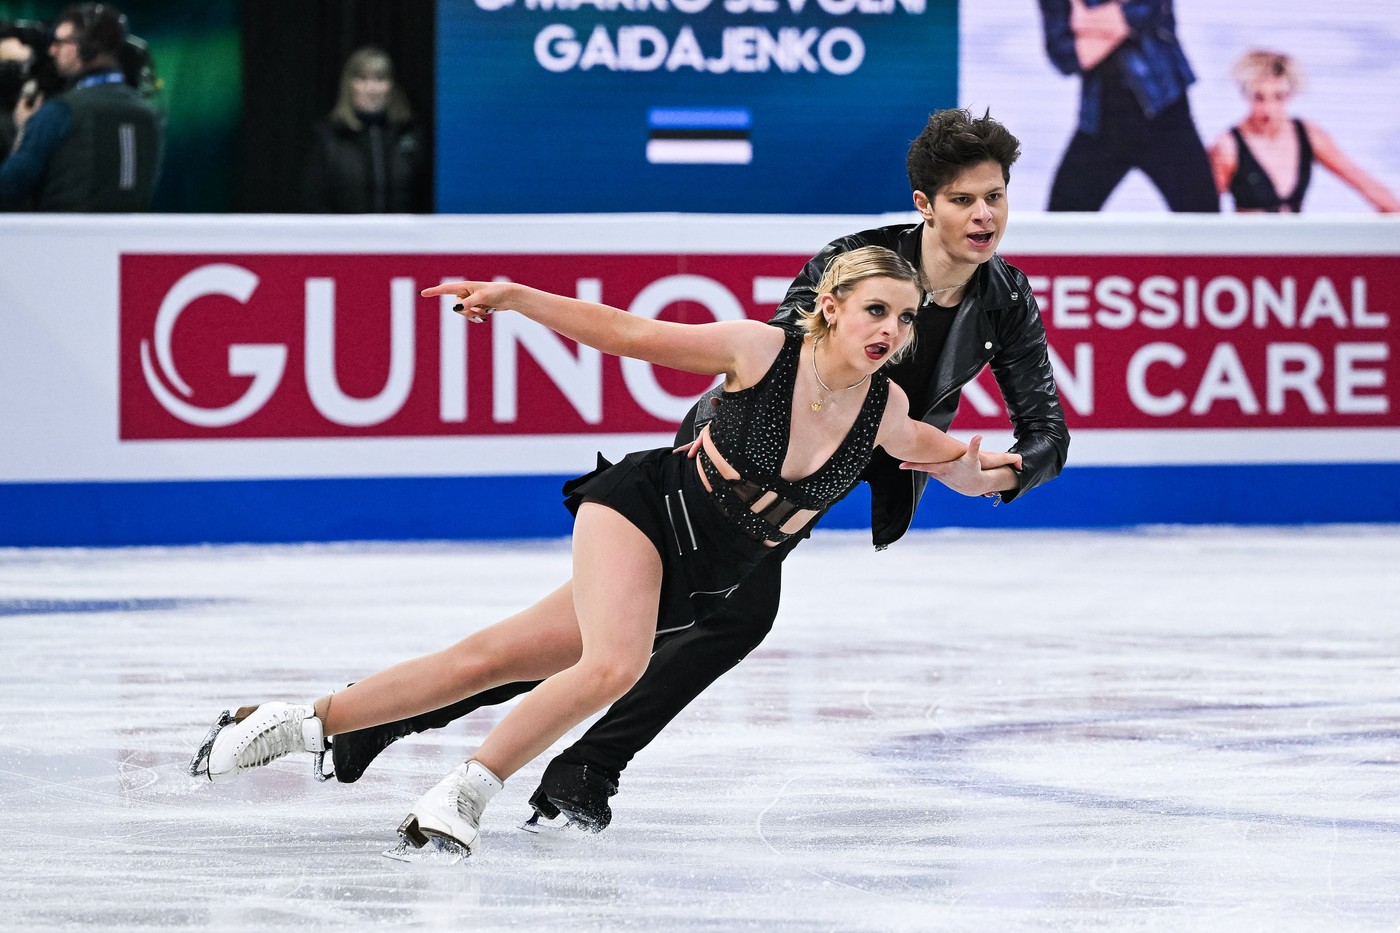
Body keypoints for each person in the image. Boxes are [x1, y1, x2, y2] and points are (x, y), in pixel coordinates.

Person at [259, 108, 1072, 836]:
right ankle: (573, 767)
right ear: (926, 204)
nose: (984, 215)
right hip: (746, 467)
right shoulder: (856, 267)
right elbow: (789, 380)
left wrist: (1007, 470)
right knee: (666, 629)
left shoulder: (1005, 297)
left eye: (995, 197)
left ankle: (392, 727)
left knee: (589, 641)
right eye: (965, 198)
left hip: (840, 469)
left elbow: (1045, 427)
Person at [191, 244, 1024, 858]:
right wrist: (518, 297)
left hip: (698, 577)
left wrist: (990, 475)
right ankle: (462, 794)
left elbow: (944, 457)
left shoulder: (884, 409)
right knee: (613, 664)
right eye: (876, 309)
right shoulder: (761, 351)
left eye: (907, 317)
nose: (892, 328)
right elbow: (627, 332)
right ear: (832, 304)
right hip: (644, 512)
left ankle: (294, 722)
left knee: (484, 659)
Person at [1038, 0, 1217, 212]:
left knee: (1202, 219)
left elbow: (1145, 12)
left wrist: (1085, 21)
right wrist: (1115, 23)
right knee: (1062, 220)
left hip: (1165, 114)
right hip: (1101, 120)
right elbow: (1066, 57)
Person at [0, 3, 161, 211]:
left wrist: (23, 131)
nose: (52, 50)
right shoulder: (147, 114)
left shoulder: (59, 111)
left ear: (88, 49)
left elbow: (9, 186)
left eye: (59, 42)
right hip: (123, 240)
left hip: (62, 239)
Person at [1208, 50, 1400, 214]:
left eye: (1278, 97)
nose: (1268, 109)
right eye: (1259, 98)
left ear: (1290, 94)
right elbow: (1204, 210)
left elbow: (1363, 182)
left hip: (1294, 249)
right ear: (1246, 95)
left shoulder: (1308, 135)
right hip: (1248, 250)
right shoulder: (1228, 146)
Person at [302, 46, 427, 213]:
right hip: (344, 236)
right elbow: (315, 199)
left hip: (400, 236)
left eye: (380, 79)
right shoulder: (329, 136)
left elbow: (423, 197)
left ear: (391, 85)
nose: (371, 89)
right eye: (362, 79)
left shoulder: (409, 134)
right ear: (349, 85)